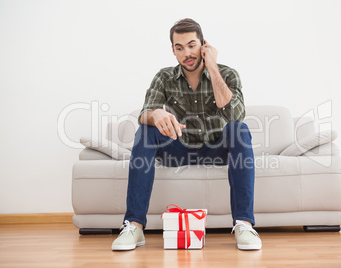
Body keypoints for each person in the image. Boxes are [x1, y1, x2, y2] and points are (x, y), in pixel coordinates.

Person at [112, 18, 261, 251]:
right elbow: (144, 114)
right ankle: (134, 226)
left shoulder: (228, 74)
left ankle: (244, 224)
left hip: (215, 149)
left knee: (238, 130)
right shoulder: (164, 77)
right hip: (177, 150)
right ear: (173, 50)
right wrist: (156, 114)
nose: (187, 53)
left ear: (203, 45)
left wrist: (212, 67)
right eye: (179, 48)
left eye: (192, 45)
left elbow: (235, 115)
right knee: (145, 131)